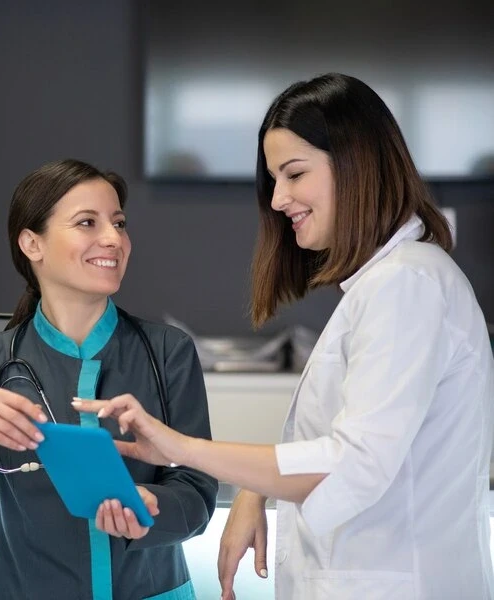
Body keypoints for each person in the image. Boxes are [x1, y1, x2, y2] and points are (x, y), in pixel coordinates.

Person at [75, 72, 494, 599]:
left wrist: (183, 447)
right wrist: (253, 489)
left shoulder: (407, 285)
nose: (278, 199)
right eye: (275, 179)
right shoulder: (387, 285)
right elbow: (347, 442)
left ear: (355, 162)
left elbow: (353, 463)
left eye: (294, 174)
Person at [0, 158, 218, 600]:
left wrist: (157, 507)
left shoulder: (167, 351)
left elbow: (196, 491)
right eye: (87, 223)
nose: (113, 238)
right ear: (32, 244)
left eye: (118, 222)